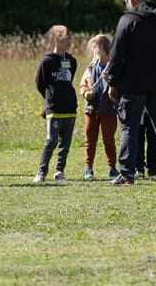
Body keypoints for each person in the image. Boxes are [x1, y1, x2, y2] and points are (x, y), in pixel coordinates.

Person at [105, 0, 156, 186]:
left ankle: (127, 174)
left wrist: (111, 80)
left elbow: (116, 53)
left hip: (133, 83)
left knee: (130, 127)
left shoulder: (128, 20)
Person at [34, 25, 77, 182]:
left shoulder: (72, 61)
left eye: (69, 39)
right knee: (51, 140)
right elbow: (40, 83)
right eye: (65, 39)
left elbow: (69, 80)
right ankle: (41, 171)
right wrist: (50, 97)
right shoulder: (47, 61)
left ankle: (60, 171)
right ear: (55, 41)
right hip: (54, 108)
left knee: (65, 143)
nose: (69, 42)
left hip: (70, 108)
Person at [78, 34, 118, 180]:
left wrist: (111, 81)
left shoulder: (113, 67)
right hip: (91, 109)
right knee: (90, 140)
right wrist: (86, 93)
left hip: (109, 109)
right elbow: (82, 85)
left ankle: (112, 168)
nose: (94, 51)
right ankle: (88, 168)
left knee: (109, 140)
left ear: (104, 48)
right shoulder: (90, 68)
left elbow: (119, 87)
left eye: (96, 47)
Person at [135, 111, 156, 178]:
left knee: (153, 141)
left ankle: (152, 169)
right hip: (139, 110)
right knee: (138, 140)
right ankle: (139, 168)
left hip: (152, 110)